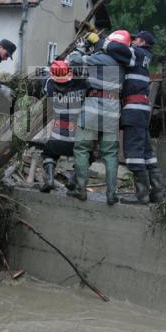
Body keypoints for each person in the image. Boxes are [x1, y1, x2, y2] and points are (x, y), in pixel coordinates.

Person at [102, 30, 164, 204]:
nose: (132, 42)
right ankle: (158, 193)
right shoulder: (145, 57)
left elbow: (116, 48)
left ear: (142, 41)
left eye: (135, 39)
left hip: (134, 110)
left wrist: (100, 41)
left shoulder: (137, 53)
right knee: (146, 152)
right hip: (142, 109)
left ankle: (142, 196)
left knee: (134, 152)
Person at [66, 32, 127, 205]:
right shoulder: (124, 63)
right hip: (113, 108)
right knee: (110, 154)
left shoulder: (100, 58)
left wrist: (79, 48)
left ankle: (80, 189)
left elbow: (74, 61)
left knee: (82, 148)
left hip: (93, 106)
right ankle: (111, 194)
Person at [39, 60, 88, 192]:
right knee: (89, 156)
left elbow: (44, 77)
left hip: (57, 139)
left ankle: (49, 179)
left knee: (48, 154)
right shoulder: (81, 85)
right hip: (76, 140)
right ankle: (73, 179)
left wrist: (46, 70)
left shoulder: (49, 86)